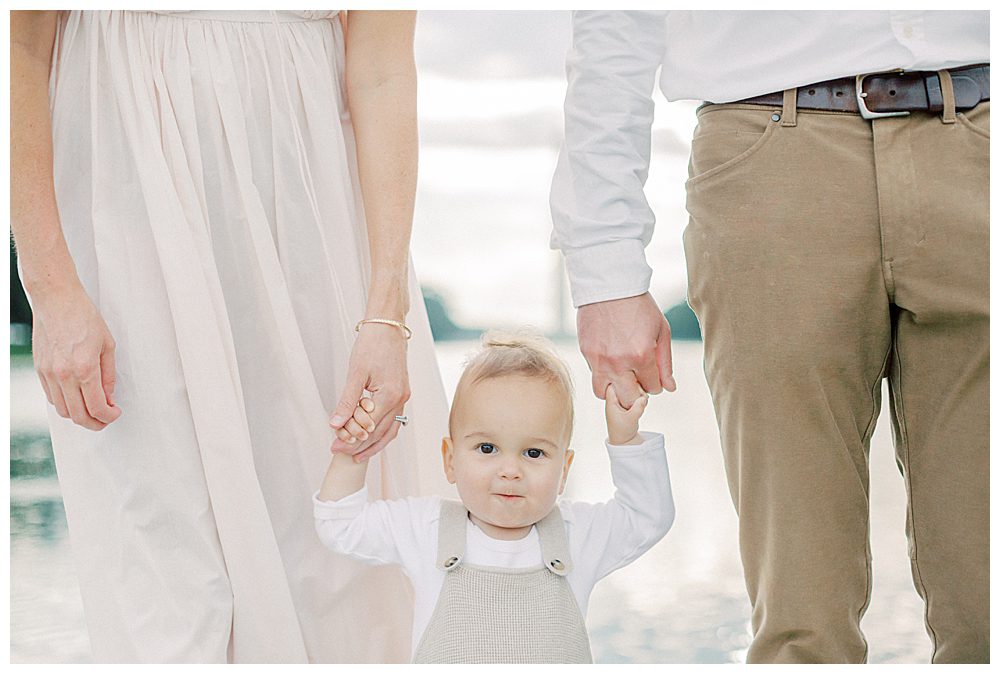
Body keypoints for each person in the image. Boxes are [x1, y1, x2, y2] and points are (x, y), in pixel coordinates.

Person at [549, 10, 988, 664]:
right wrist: (604, 267)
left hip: (981, 138)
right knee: (802, 628)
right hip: (770, 152)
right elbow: (617, 22)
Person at [10, 10, 449, 663]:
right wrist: (50, 288)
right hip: (129, 213)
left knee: (341, 571)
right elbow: (16, 43)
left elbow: (383, 72)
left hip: (316, 227)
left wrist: (386, 314)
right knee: (167, 582)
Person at [314, 331, 675, 663]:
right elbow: (341, 526)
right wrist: (352, 450)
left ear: (564, 470)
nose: (510, 470)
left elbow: (647, 516)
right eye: (487, 448)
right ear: (450, 459)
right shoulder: (427, 529)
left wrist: (626, 440)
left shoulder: (575, 534)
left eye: (534, 453)